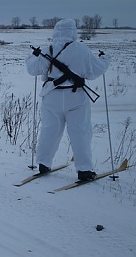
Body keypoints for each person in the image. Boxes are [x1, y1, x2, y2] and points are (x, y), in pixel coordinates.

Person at [26, 19, 110, 181]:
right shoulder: (82, 50)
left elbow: (33, 69)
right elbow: (95, 71)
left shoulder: (48, 50)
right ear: (73, 32)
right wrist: (105, 59)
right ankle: (84, 170)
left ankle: (43, 164)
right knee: (80, 133)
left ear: (56, 32)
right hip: (76, 97)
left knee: (49, 131)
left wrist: (30, 57)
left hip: (52, 96)